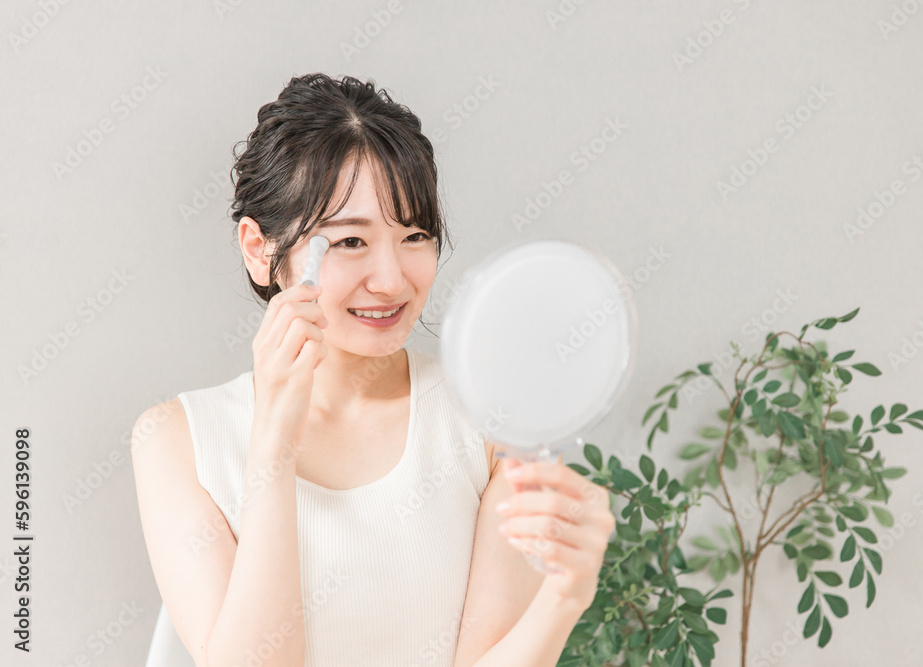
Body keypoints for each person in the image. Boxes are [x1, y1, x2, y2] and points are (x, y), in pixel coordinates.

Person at [131, 73, 615, 667]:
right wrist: (273, 446)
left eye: (415, 235)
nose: (391, 280)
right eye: (350, 242)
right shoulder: (178, 440)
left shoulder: (491, 424)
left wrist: (566, 596)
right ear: (260, 250)